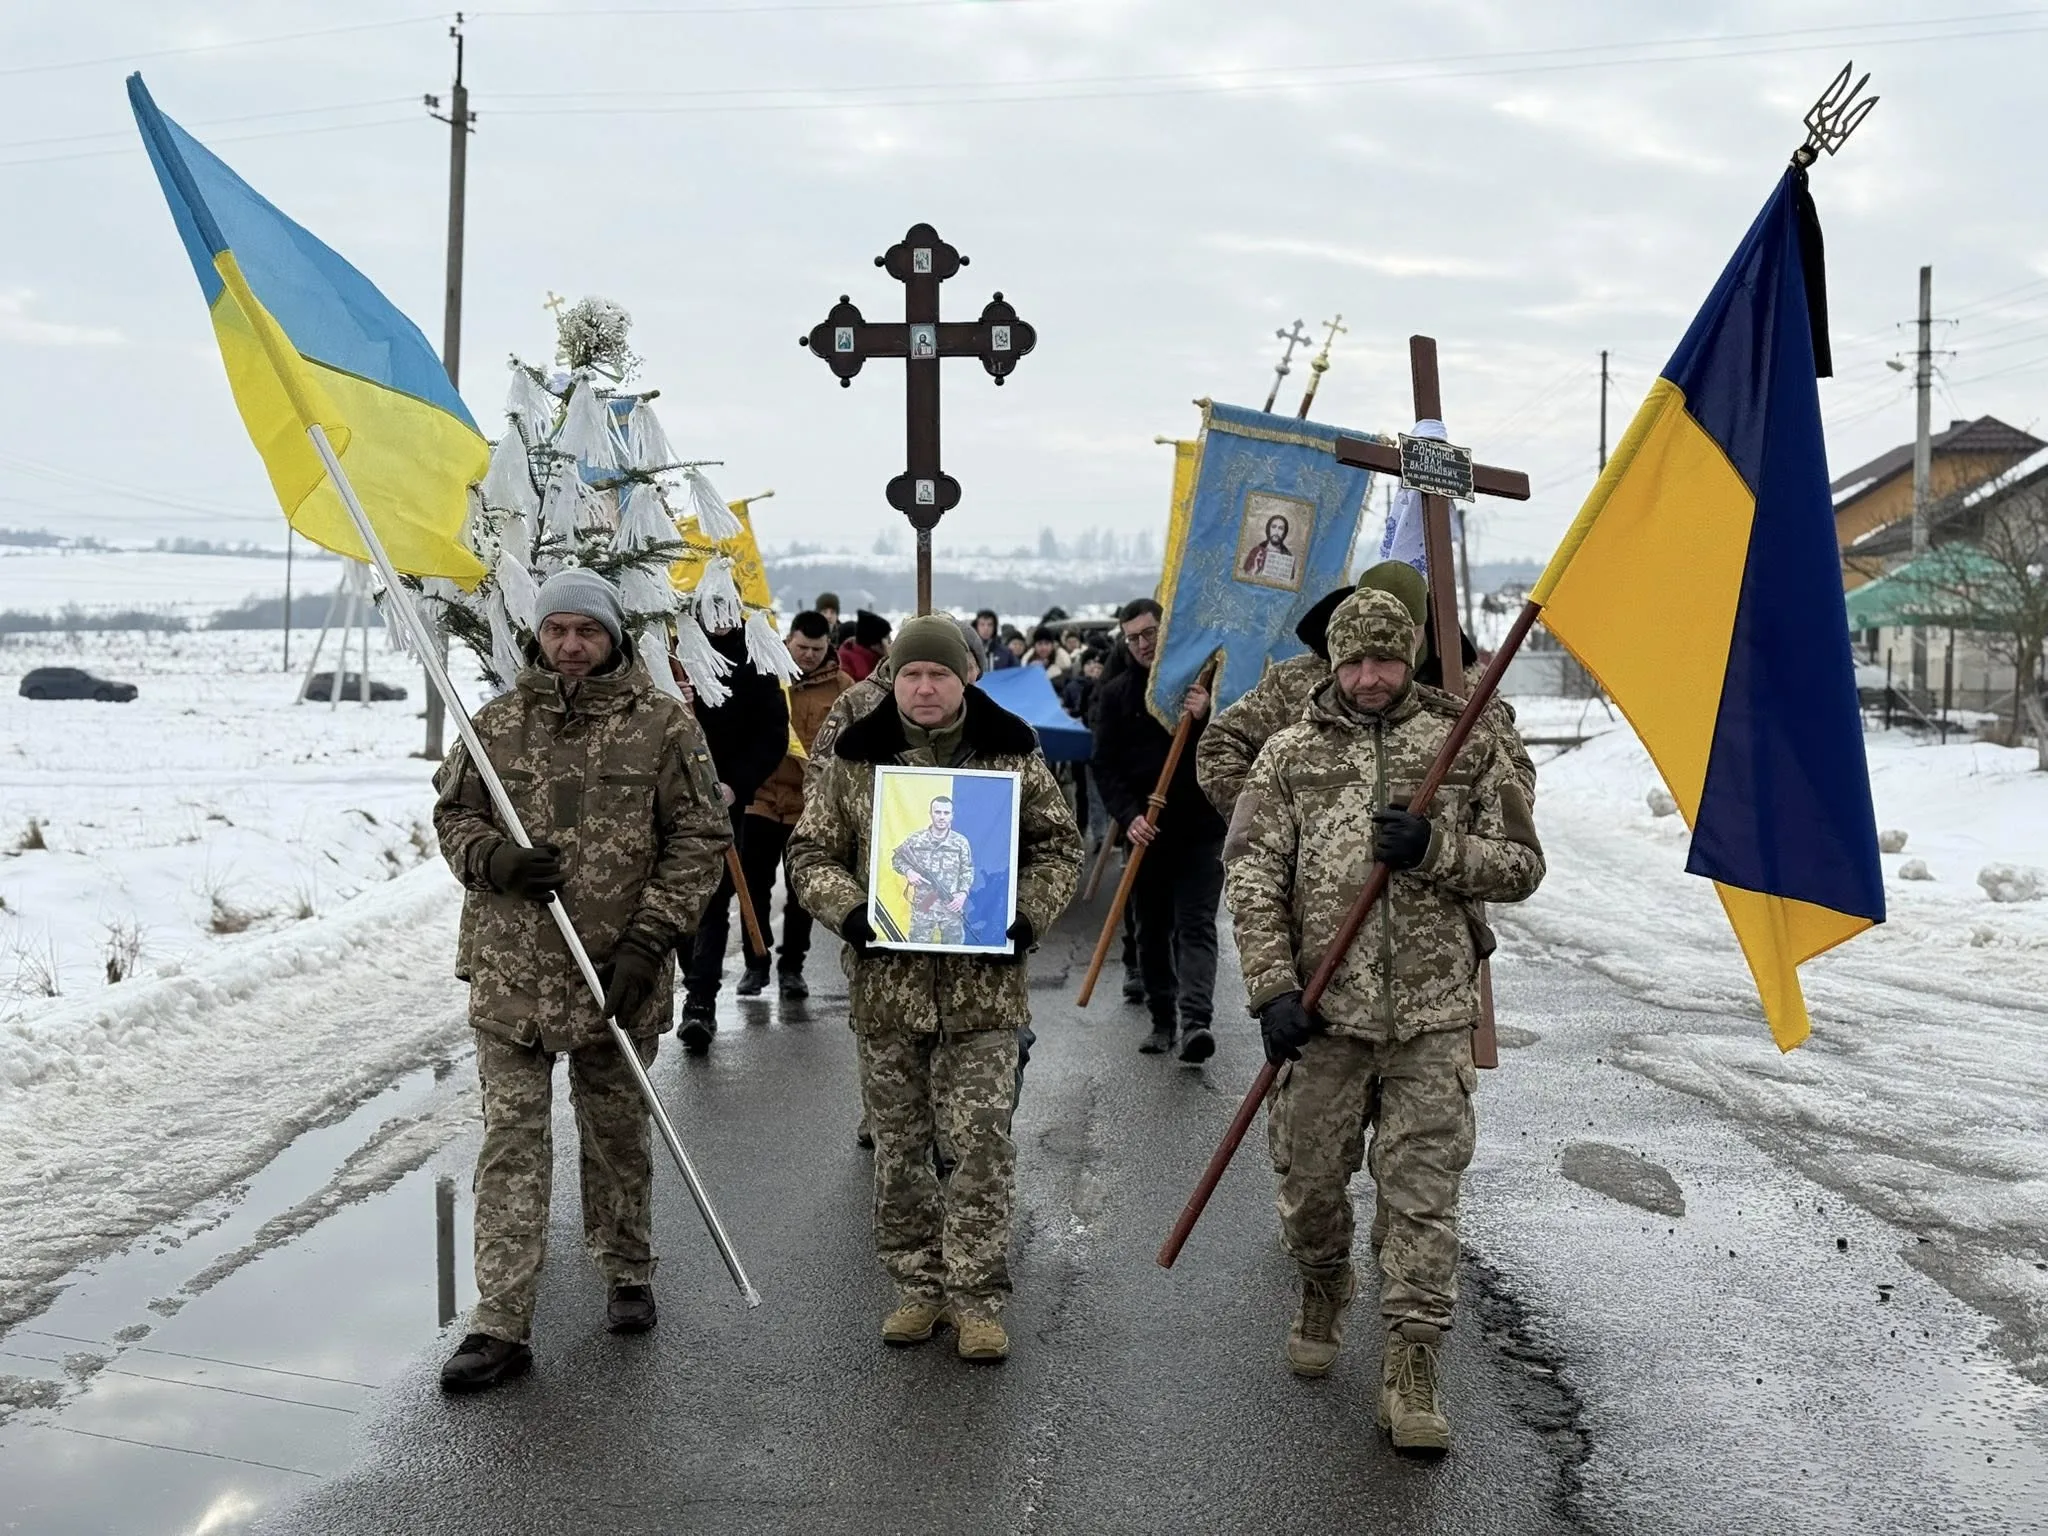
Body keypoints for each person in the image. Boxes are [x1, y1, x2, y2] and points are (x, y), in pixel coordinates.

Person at [1223, 586, 1544, 1451]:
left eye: (1387, 659)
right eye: (1354, 660)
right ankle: (1325, 1283)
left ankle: (1412, 1360)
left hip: (1432, 1019)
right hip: (1323, 1021)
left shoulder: (1465, 746)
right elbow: (1251, 879)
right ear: (1332, 662)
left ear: (1410, 660)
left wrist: (1437, 851)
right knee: (1311, 1187)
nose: (1370, 678)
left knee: (1423, 1197)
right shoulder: (1287, 756)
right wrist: (1271, 991)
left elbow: (1522, 865)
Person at [431, 569, 730, 1392]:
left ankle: (627, 1266)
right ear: (537, 637)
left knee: (615, 1131)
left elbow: (702, 835)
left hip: (615, 973)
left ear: (614, 639)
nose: (570, 645)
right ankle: (500, 1322)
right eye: (556, 630)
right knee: (512, 1142)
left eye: (586, 631)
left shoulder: (664, 728)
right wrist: (490, 857)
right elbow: (451, 813)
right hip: (513, 975)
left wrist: (652, 938)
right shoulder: (495, 723)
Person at [789, 616, 1082, 1362]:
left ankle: (977, 1299)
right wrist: (851, 911)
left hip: (984, 993)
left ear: (966, 680)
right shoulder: (859, 759)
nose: (925, 687)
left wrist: (1026, 916)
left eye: (940, 674)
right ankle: (917, 1286)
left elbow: (1057, 845)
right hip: (889, 993)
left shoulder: (1011, 753)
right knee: (901, 1146)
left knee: (981, 1142)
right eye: (912, 674)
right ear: (894, 679)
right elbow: (812, 852)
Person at [1090, 598, 1227, 1062]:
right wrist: (1130, 817)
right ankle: (1163, 1019)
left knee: (1196, 926)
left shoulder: (1204, 684)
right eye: (1133, 638)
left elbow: (1235, 744)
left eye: (1150, 633)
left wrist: (1209, 712)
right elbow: (1105, 766)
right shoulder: (1116, 694)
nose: (1143, 644)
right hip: (1146, 834)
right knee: (1151, 930)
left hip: (1201, 827)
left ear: (1166, 631)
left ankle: (1196, 1022)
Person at [680, 621, 790, 1050]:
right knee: (671, 905)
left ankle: (699, 1002)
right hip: (663, 796)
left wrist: (736, 784)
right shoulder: (670, 646)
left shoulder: (755, 658)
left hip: (723, 800)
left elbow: (772, 734)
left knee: (713, 896)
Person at [737, 610, 851, 1001]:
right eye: (801, 647)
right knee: (754, 884)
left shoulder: (841, 687)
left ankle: (792, 967)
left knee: (804, 892)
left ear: (828, 646)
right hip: (762, 798)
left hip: (809, 805)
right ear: (789, 641)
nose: (808, 656)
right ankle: (756, 960)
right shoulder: (767, 672)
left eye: (816, 649)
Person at [893, 794, 974, 945]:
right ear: (931, 814)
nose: (942, 817)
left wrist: (962, 893)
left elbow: (967, 870)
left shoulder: (960, 842)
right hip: (925, 904)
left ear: (952, 815)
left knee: (954, 950)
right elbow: (897, 859)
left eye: (946, 813)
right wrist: (908, 872)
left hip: (951, 904)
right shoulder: (916, 839)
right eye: (937, 812)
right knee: (917, 949)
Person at [1242, 513, 1297, 585]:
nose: (1276, 532)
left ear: (1284, 533)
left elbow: (1289, 584)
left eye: (1281, 528)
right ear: (1268, 529)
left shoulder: (1288, 557)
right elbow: (1244, 579)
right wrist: (1254, 571)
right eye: (1274, 527)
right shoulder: (1256, 552)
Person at [838, 610, 892, 683]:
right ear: (876, 643)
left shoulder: (874, 659)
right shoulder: (848, 663)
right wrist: (890, 659)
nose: (891, 642)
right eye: (887, 639)